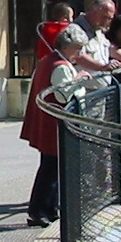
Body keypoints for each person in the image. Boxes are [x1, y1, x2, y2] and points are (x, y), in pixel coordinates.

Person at [20, 24, 90, 226]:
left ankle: (49, 209)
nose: (80, 53)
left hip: (48, 122)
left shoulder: (47, 61)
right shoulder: (60, 66)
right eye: (78, 49)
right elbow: (63, 94)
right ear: (67, 47)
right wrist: (79, 79)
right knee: (50, 170)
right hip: (55, 124)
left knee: (51, 168)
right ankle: (40, 210)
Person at [73, 0, 121, 73]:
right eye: (104, 17)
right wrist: (102, 67)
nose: (106, 22)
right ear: (92, 11)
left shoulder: (98, 29)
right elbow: (77, 56)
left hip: (104, 84)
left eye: (109, 19)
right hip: (84, 84)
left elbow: (110, 49)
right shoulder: (75, 30)